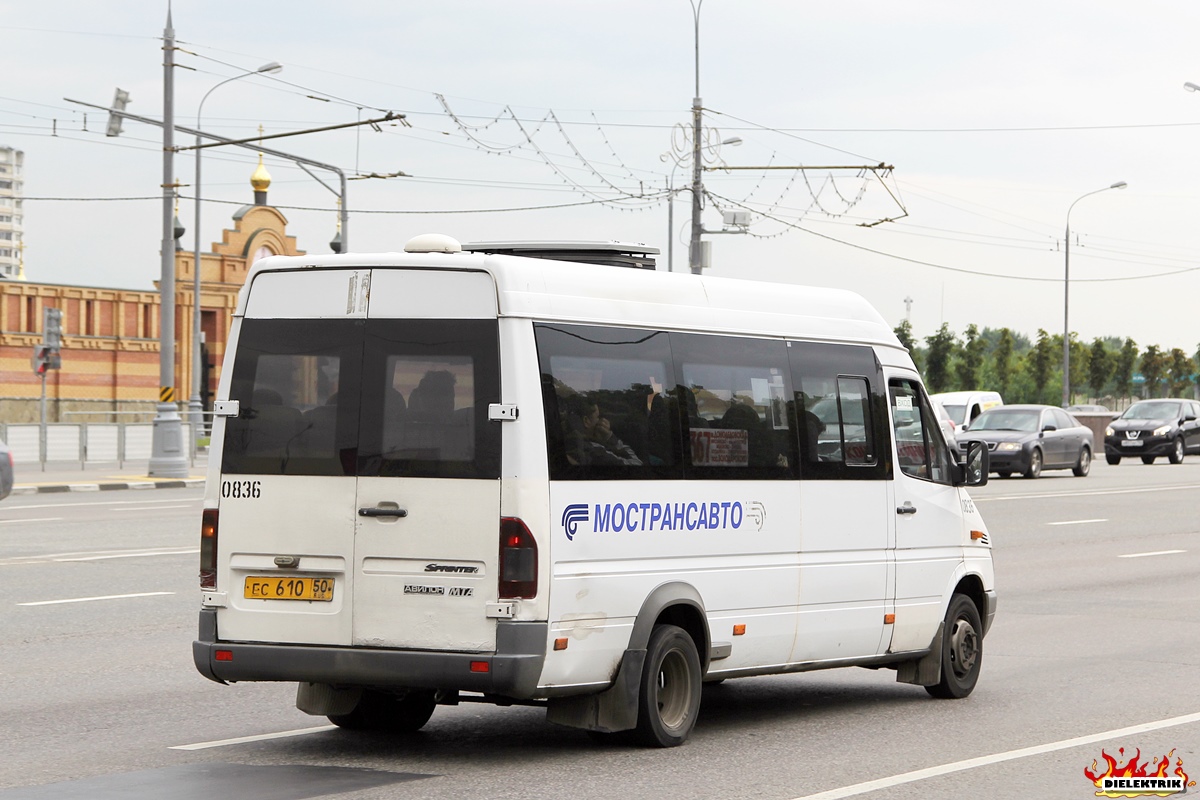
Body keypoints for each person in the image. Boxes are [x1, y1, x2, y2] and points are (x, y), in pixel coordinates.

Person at [565, 397, 642, 466]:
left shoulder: (569, 442)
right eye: (597, 417)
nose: (600, 420)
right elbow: (637, 463)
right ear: (586, 421)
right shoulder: (594, 451)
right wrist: (610, 437)